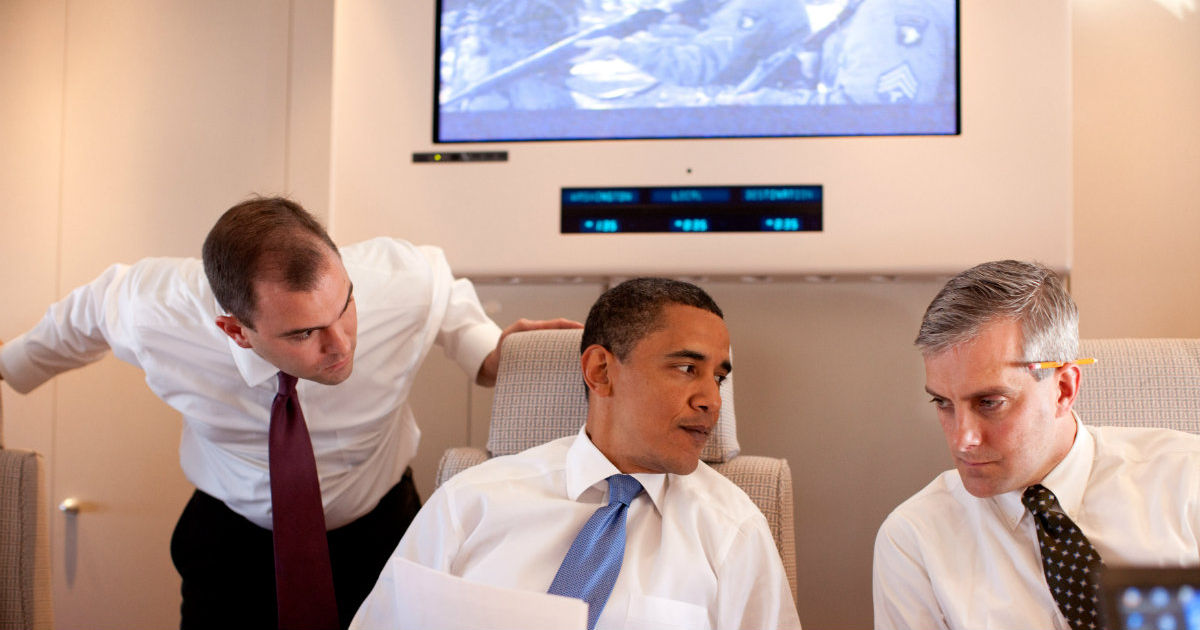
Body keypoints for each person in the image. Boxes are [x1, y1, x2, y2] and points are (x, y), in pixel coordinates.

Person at [0, 196, 580, 629]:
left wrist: (514, 355)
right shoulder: (150, 309)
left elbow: (480, 352)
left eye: (344, 308)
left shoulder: (407, 281)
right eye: (303, 332)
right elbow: (60, 333)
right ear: (235, 329)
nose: (341, 345)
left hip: (378, 529)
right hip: (233, 540)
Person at [351, 277, 802, 629]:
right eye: (686, 368)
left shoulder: (733, 531)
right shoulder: (469, 503)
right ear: (601, 370)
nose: (711, 401)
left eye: (718, 378)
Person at [872, 260, 1200, 629]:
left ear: (1063, 389)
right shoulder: (915, 538)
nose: (963, 439)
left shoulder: (1188, 480)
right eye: (943, 403)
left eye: (989, 403)